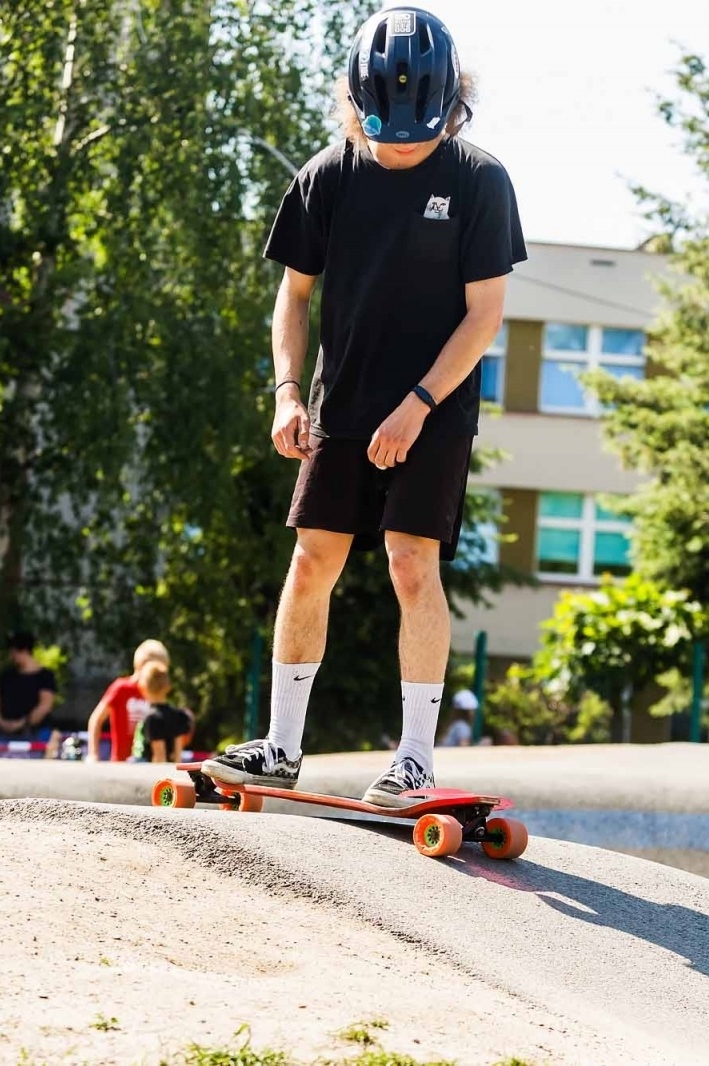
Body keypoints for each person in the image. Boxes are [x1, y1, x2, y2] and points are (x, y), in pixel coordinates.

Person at [201, 7, 526, 808]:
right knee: (312, 560)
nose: (403, 147)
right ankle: (280, 747)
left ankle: (415, 757)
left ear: (452, 104)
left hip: (435, 408)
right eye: (387, 133)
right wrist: (285, 392)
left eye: (420, 133)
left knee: (411, 563)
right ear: (356, 103)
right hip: (340, 403)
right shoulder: (327, 176)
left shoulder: (481, 181)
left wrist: (417, 405)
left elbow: (483, 315)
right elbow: (293, 298)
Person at [84, 640, 170, 762]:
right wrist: (93, 754)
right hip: (121, 764)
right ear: (142, 665)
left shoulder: (157, 693)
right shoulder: (121, 688)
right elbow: (96, 719)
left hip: (148, 764)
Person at [0, 631, 58, 756]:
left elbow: (45, 705)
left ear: (24, 651)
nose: (11, 656)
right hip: (3, 734)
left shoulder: (45, 677)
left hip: (35, 734)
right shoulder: (6, 676)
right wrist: (2, 722)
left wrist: (23, 723)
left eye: (14, 652)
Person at [133, 665, 196, 764]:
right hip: (171, 770)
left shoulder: (152, 718)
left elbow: (159, 757)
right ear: (168, 687)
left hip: (153, 772)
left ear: (143, 688)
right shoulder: (178, 715)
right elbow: (178, 754)